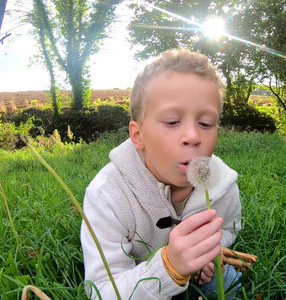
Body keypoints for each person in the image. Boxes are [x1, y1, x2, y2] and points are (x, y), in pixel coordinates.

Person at [81, 48, 242, 300]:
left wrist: (210, 253)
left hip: (199, 280)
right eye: (171, 122)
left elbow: (230, 228)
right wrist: (170, 267)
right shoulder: (107, 195)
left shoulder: (224, 187)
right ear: (138, 135)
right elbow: (102, 291)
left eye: (205, 123)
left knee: (227, 282)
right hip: (137, 285)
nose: (193, 136)